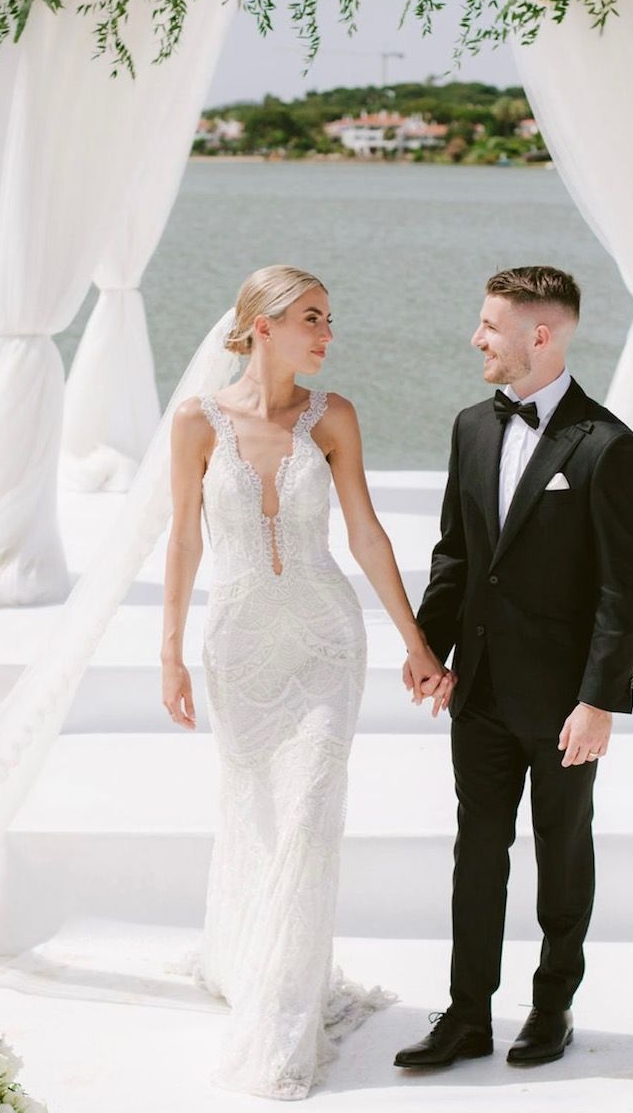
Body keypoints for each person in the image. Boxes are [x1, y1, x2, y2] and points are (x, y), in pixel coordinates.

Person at [161, 265, 452, 1101]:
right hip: (239, 642)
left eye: (328, 319)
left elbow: (364, 534)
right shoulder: (197, 421)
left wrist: (415, 642)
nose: (327, 334)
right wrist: (169, 652)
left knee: (311, 811)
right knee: (259, 812)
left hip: (325, 640)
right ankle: (255, 962)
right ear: (262, 324)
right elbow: (183, 540)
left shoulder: (334, 417)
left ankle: (284, 1017)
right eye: (311, 318)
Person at [394, 265, 633, 1071]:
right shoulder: (472, 426)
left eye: (489, 326)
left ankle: (551, 1007)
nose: (475, 338)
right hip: (478, 691)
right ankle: (466, 1014)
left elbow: (623, 589)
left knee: (560, 852)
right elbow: (457, 553)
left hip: (563, 701)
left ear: (539, 335)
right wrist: (429, 649)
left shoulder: (608, 446)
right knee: (476, 851)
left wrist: (598, 701)